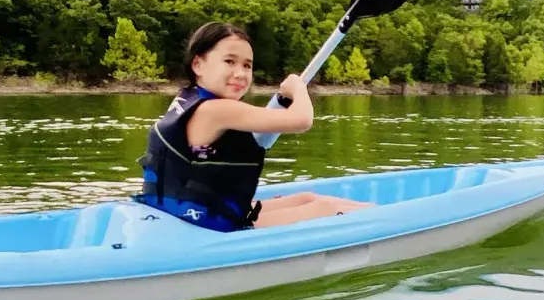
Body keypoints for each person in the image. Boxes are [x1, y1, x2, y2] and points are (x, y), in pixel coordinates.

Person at [137, 22, 371, 230]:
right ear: (198, 64)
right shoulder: (217, 109)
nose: (240, 73)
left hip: (190, 210)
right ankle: (388, 219)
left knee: (307, 198)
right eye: (229, 61)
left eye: (247, 66)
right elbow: (302, 120)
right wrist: (298, 88)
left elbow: (259, 138)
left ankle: (377, 211)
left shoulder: (188, 99)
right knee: (326, 207)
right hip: (206, 222)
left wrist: (281, 100)